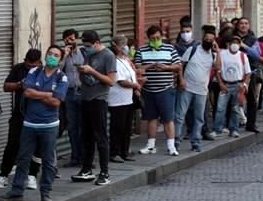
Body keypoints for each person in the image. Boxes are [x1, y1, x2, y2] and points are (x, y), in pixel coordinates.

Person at [4, 46, 69, 201]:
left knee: (47, 160)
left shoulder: (62, 77)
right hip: (30, 123)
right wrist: (47, 94)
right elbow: (27, 92)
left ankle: (45, 192)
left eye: (56, 55)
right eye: (50, 54)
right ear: (45, 56)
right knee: (23, 157)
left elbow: (56, 102)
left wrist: (38, 94)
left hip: (49, 125)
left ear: (60, 59)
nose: (52, 57)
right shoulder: (34, 72)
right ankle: (17, 189)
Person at [71, 30, 117, 185]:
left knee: (101, 136)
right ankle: (86, 169)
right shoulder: (87, 54)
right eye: (84, 45)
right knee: (86, 136)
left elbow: (111, 81)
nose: (86, 48)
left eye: (89, 45)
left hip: (99, 100)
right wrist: (82, 72)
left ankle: (105, 173)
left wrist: (92, 71)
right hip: (85, 98)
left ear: (97, 42)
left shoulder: (108, 56)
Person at [0, 49, 42, 190]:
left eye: (34, 66)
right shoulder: (18, 69)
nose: (31, 68)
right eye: (28, 65)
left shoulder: (44, 72)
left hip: (38, 115)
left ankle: (32, 175)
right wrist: (20, 84)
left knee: (38, 148)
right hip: (19, 114)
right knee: (12, 145)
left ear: (39, 62)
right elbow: (6, 86)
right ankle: (4, 175)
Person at [135, 25, 182, 156]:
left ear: (161, 36)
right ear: (148, 38)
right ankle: (150, 145)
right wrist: (150, 66)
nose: (155, 40)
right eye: (152, 38)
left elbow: (178, 66)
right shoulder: (142, 50)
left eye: (157, 37)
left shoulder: (170, 49)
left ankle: (171, 146)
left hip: (166, 89)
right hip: (148, 89)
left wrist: (166, 68)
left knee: (168, 118)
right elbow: (138, 67)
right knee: (151, 118)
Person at [175, 27, 216, 152]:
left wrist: (218, 51)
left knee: (199, 118)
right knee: (180, 115)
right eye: (206, 39)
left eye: (211, 40)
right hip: (187, 88)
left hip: (202, 91)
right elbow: (180, 65)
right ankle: (176, 140)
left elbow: (218, 67)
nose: (208, 41)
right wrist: (181, 80)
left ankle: (196, 141)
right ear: (202, 39)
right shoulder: (192, 50)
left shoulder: (213, 55)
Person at [213, 36, 252, 138]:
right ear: (228, 44)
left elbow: (248, 73)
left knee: (235, 109)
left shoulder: (243, 56)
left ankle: (234, 130)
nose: (235, 44)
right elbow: (217, 70)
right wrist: (220, 83)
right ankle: (218, 129)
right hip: (225, 84)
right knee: (220, 108)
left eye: (237, 42)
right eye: (233, 42)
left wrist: (244, 85)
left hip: (237, 85)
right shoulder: (222, 54)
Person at [108, 35, 137, 163]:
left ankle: (125, 151)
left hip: (128, 99)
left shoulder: (125, 60)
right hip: (117, 99)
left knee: (127, 127)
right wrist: (135, 85)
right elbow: (121, 81)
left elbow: (131, 75)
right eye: (123, 45)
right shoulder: (113, 61)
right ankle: (115, 152)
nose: (126, 47)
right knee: (117, 127)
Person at [60, 29, 85, 166]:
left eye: (72, 39)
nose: (70, 41)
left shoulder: (83, 53)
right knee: (72, 126)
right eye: (67, 39)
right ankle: (75, 157)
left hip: (82, 92)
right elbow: (56, 71)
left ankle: (85, 157)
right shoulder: (62, 54)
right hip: (69, 93)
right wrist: (64, 56)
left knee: (84, 126)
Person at [235, 18, 263, 132]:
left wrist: (244, 46)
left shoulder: (253, 40)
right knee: (232, 99)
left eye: (246, 23)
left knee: (252, 99)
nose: (243, 26)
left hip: (250, 72)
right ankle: (231, 125)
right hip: (234, 72)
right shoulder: (232, 37)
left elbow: (257, 55)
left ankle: (251, 124)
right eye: (241, 23)